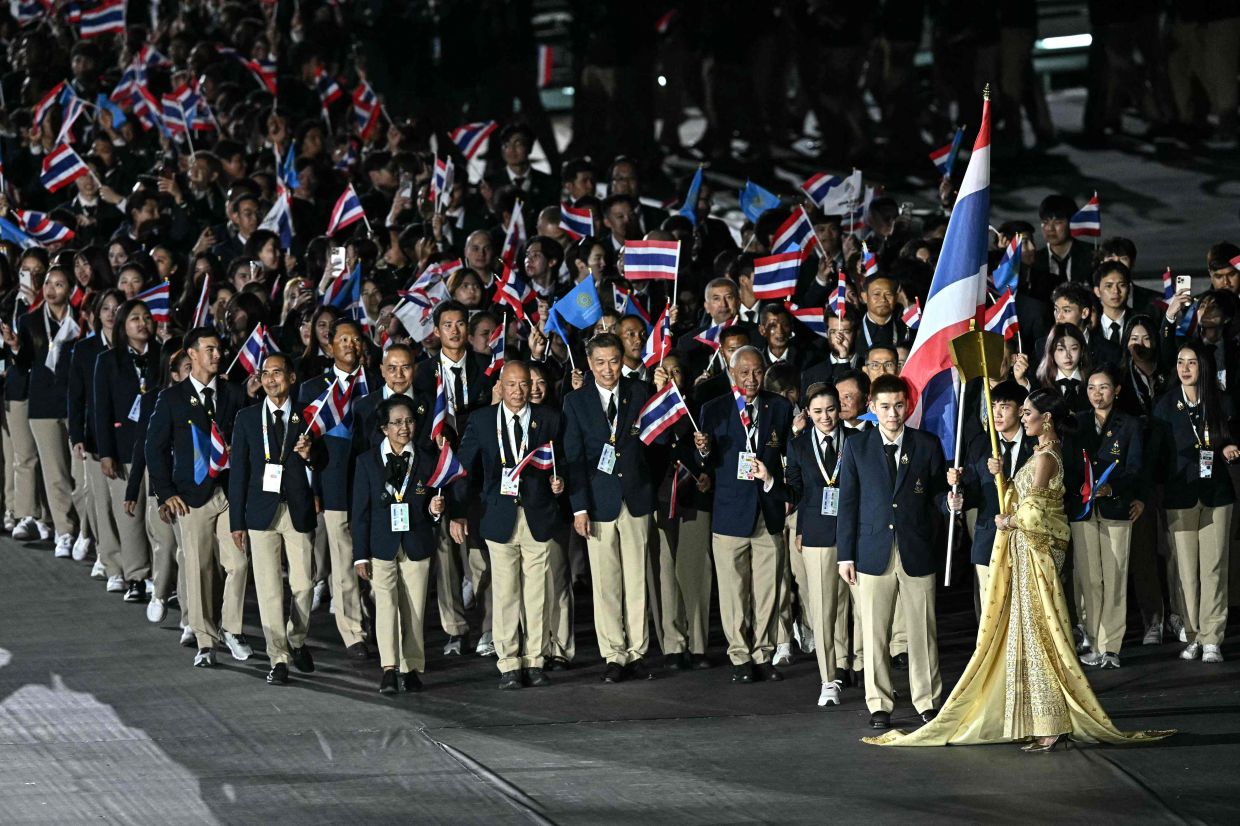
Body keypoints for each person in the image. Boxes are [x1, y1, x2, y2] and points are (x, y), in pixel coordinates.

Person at [869, 389, 1174, 750]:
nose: (1023, 418)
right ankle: (1037, 718)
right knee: (1029, 638)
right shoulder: (1040, 453)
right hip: (1025, 557)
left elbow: (1038, 511)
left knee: (1040, 638)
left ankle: (1051, 723)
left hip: (1033, 559)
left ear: (1045, 418)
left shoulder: (1046, 456)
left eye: (1027, 412)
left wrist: (1007, 519)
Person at [837, 374, 947, 730]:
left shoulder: (927, 444)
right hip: (872, 551)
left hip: (917, 549)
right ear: (871, 407)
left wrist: (951, 500)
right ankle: (879, 703)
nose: (892, 413)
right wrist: (845, 555)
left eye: (899, 405)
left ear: (907, 405)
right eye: (884, 406)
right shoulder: (856, 446)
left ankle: (927, 700)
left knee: (922, 631)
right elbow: (848, 503)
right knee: (874, 631)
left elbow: (936, 498)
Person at [453, 361, 566, 690]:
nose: (518, 391)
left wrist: (561, 483)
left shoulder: (549, 419)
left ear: (531, 387)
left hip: (538, 515)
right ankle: (509, 664)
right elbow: (463, 470)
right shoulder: (482, 420)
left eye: (524, 385)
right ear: (500, 387)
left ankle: (534, 660)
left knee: (537, 593)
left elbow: (565, 462)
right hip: (498, 516)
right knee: (505, 593)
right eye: (511, 385)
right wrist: (458, 511)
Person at [145, 327, 251, 668]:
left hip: (229, 493)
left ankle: (232, 629)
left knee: (238, 562)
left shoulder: (234, 394)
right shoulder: (172, 398)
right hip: (192, 498)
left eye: (219, 349)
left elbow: (248, 438)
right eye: (209, 349)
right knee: (199, 567)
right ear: (192, 354)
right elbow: (154, 448)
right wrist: (166, 493)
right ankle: (205, 641)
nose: (217, 355)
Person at [562, 333, 658, 682]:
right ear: (589, 363)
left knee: (636, 581)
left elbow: (656, 445)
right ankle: (613, 654)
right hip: (597, 504)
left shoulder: (640, 393)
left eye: (614, 361)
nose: (607, 369)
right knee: (606, 584)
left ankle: (636, 652)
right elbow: (572, 458)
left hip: (636, 499)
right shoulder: (575, 402)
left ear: (622, 360)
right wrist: (578, 508)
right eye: (600, 362)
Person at [694, 345, 792, 683]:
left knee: (767, 589)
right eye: (744, 373)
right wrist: (703, 450)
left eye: (757, 372)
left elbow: (788, 457)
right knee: (734, 591)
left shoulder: (779, 407)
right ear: (732, 374)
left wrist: (775, 485)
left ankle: (763, 654)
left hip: (767, 509)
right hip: (730, 512)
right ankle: (739, 656)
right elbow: (706, 465)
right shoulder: (714, 409)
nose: (752, 379)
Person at [228, 353, 326, 686]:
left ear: (292, 377)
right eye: (265, 374)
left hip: (297, 511)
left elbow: (323, 461)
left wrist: (309, 454)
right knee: (269, 590)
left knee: (303, 585)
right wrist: (236, 522)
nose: (271, 379)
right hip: (260, 513)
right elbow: (238, 472)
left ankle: (296, 640)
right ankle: (278, 657)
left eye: (278, 373)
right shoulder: (246, 418)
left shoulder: (308, 417)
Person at [296, 318, 378, 660]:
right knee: (344, 561)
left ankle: (382, 620)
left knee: (376, 559)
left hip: (375, 486)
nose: (350, 344)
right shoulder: (315, 389)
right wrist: (312, 487)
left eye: (356, 339)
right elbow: (306, 446)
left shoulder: (376, 383)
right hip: (334, 485)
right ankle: (354, 632)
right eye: (342, 339)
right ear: (330, 347)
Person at [353, 394, 444, 695]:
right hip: (381, 546)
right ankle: (389, 668)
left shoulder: (428, 460)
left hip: (416, 543)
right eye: (396, 423)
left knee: (415, 610)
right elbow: (361, 513)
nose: (404, 428)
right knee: (386, 607)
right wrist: (359, 556)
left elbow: (431, 504)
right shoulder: (367, 462)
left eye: (409, 421)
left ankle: (412, 667)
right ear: (383, 428)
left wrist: (434, 512)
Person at [1153, 342, 1236, 664]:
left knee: (1214, 569)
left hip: (1217, 495)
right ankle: (1193, 634)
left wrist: (1229, 447)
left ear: (1203, 366)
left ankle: (1213, 638)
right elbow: (1156, 455)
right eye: (1179, 362)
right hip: (1179, 495)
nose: (1184, 368)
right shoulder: (1165, 405)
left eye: (1191, 362)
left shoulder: (1221, 401)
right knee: (1186, 572)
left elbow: (1230, 436)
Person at [1062, 365, 1144, 669]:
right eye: (1092, 388)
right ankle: (1093, 642)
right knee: (1090, 579)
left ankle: (1112, 646)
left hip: (1116, 508)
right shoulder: (1077, 423)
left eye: (1104, 387)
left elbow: (1135, 468)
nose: (1098, 394)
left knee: (1115, 577)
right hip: (1082, 510)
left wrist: (1112, 488)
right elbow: (1068, 466)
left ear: (1117, 390)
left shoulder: (1130, 425)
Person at [785, 383, 858, 707]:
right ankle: (829, 679)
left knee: (859, 607)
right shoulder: (799, 446)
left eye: (830, 409)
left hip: (854, 532)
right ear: (807, 413)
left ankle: (861, 667)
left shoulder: (856, 440)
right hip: (816, 534)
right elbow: (798, 493)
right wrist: (772, 482)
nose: (825, 417)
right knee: (823, 609)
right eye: (817, 411)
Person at [92, 299, 158, 602]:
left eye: (146, 317)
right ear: (122, 324)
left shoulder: (164, 356)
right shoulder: (108, 360)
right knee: (130, 516)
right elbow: (100, 409)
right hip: (122, 449)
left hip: (158, 450)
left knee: (157, 518)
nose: (142, 322)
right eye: (134, 318)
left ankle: (162, 577)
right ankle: (136, 576)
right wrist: (106, 452)